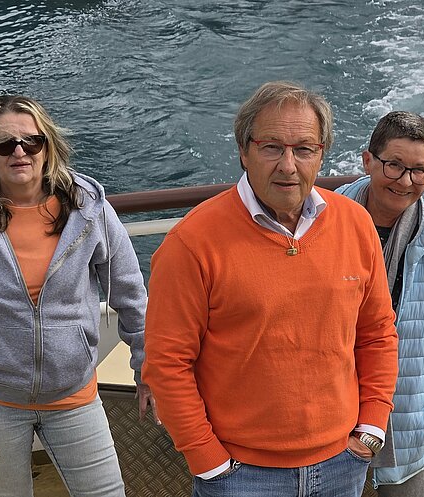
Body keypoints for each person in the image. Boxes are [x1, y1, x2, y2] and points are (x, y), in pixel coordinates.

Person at [142, 81, 400, 497]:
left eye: (304, 149)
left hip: (343, 463)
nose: (288, 166)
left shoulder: (355, 224)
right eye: (272, 148)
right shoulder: (192, 242)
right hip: (240, 475)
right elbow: (167, 363)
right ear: (243, 152)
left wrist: (371, 428)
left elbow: (377, 334)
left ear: (321, 155)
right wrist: (209, 461)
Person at [0, 94, 154, 497]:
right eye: (5, 144)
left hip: (74, 396)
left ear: (48, 146)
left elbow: (130, 294)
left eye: (31, 141)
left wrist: (146, 369)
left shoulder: (88, 209)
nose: (20, 152)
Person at [336, 111, 424, 496]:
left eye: (419, 170)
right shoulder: (324, 224)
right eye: (394, 165)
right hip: (328, 426)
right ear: (368, 160)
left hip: (411, 438)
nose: (405, 181)